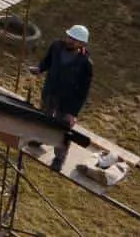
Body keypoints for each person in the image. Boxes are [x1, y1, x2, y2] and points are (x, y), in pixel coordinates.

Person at [28, 24, 94, 171]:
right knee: (44, 118)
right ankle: (40, 139)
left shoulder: (85, 63)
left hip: (67, 102)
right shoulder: (56, 46)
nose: (70, 41)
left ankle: (59, 158)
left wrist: (73, 113)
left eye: (74, 40)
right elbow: (48, 61)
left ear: (82, 44)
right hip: (50, 92)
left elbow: (83, 91)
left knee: (62, 130)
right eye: (69, 37)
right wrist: (40, 68)